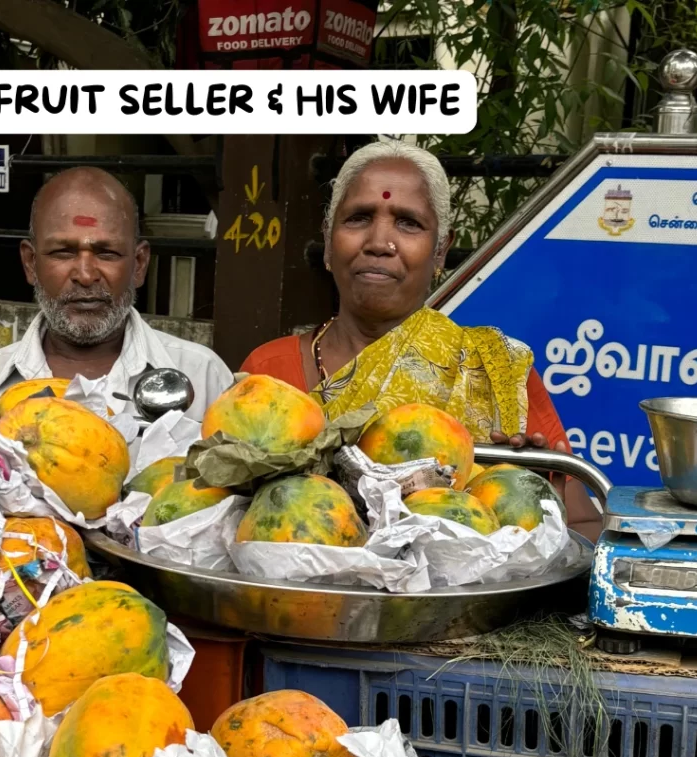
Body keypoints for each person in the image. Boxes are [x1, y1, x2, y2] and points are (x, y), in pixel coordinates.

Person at [241, 139, 602, 542]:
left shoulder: (495, 370)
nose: (379, 242)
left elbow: (585, 528)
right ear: (328, 242)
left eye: (408, 223)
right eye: (359, 218)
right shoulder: (268, 373)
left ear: (440, 252)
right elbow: (221, 516)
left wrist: (534, 496)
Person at [0, 166, 234, 421]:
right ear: (31, 263)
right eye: (63, 252)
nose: (85, 275)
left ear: (139, 264)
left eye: (106, 253)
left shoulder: (203, 377)